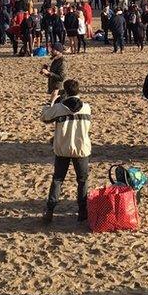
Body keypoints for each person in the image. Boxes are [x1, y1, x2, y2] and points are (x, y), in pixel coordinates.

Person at [41, 79, 92, 223]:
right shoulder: (87, 107)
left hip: (63, 148)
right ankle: (82, 211)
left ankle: (50, 209)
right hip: (81, 148)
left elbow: (45, 117)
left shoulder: (59, 108)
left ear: (66, 92)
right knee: (82, 180)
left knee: (58, 180)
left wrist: (51, 101)